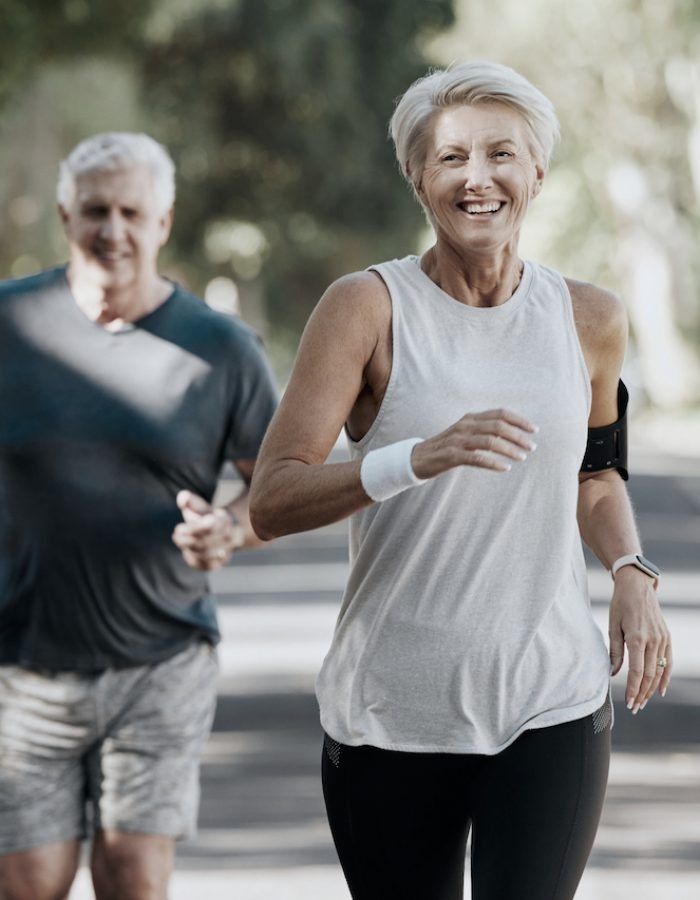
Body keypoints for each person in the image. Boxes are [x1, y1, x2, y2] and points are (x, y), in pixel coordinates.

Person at [249, 62, 672, 899]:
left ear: (537, 173)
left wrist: (630, 570)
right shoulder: (365, 308)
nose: (477, 179)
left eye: (500, 155)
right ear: (417, 178)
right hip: (391, 711)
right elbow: (271, 499)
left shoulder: (590, 318)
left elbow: (596, 472)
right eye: (450, 159)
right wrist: (415, 457)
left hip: (549, 699)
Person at [0, 132, 278, 900]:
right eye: (95, 210)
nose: (112, 230)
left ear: (163, 222)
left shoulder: (223, 350)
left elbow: (277, 489)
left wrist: (230, 527)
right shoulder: (9, 324)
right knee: (30, 883)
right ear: (65, 215)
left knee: (132, 874)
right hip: (21, 659)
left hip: (162, 656)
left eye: (131, 211)